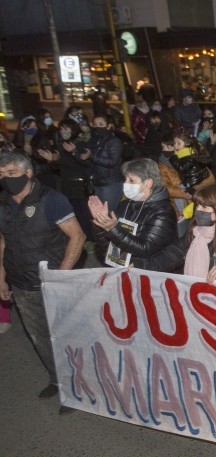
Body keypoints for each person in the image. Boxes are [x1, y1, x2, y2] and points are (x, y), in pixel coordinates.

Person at [0, 151, 86, 398]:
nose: (6, 179)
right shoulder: (3, 204)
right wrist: (2, 277)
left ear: (28, 173)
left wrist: (60, 276)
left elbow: (77, 236)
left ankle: (79, 385)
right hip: (21, 284)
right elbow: (4, 242)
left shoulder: (51, 199)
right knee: (40, 338)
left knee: (65, 335)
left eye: (12, 174)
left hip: (51, 282)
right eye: (2, 175)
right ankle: (58, 381)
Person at [148, 183, 216, 284]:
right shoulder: (196, 230)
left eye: (204, 207)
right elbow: (171, 254)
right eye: (197, 206)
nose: (198, 210)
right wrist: (142, 265)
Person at [88, 158, 178, 270]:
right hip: (124, 267)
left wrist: (113, 229)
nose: (125, 184)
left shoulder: (163, 212)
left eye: (131, 180)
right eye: (125, 179)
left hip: (150, 271)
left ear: (148, 183)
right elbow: (108, 243)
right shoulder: (125, 204)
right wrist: (100, 222)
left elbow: (145, 249)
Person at [56, 118, 92, 240]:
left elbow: (85, 163)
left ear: (73, 129)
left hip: (80, 184)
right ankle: (81, 237)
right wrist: (52, 160)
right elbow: (60, 166)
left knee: (85, 214)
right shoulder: (61, 144)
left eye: (66, 128)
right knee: (75, 214)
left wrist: (74, 152)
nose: (63, 131)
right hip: (67, 184)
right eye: (61, 129)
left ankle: (91, 238)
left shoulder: (79, 143)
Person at [86, 114, 124, 212]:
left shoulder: (114, 141)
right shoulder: (94, 141)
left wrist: (92, 156)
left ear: (108, 126)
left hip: (110, 184)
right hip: (98, 183)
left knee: (108, 214)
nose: (97, 127)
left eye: (101, 124)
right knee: (98, 214)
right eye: (95, 124)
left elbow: (112, 162)